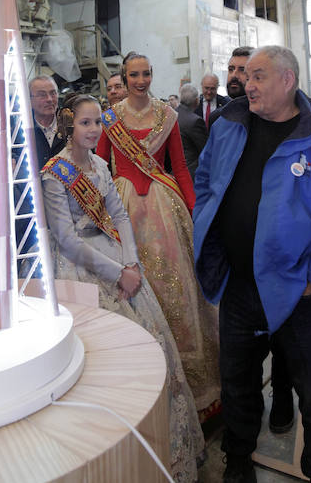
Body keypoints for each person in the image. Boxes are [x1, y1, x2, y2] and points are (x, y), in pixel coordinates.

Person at [194, 46, 311, 483]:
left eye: (258, 76)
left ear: (287, 81)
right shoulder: (228, 128)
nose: (247, 83)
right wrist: (214, 242)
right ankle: (238, 461)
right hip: (239, 288)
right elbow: (206, 182)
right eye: (246, 76)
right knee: (238, 386)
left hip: (299, 293)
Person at [41, 93, 204, 482]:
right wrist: (117, 273)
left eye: (97, 122)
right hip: (83, 272)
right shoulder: (54, 173)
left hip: (119, 260)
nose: (94, 129)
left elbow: (119, 215)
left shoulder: (99, 164)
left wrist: (131, 261)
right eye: (85, 123)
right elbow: (66, 240)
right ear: (69, 126)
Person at [97, 51, 221, 418]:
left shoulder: (167, 116)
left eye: (146, 74)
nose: (140, 81)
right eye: (133, 75)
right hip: (124, 212)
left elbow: (180, 168)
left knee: (177, 290)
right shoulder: (110, 119)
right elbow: (102, 167)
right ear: (124, 76)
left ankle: (191, 379)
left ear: (153, 74)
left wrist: (195, 211)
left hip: (165, 209)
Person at [29, 75, 65, 170]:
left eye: (53, 93)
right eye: (42, 95)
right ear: (29, 100)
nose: (49, 99)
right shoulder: (20, 132)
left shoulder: (71, 127)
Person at [176, 83, 208, 180]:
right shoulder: (195, 121)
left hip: (174, 171)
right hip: (191, 174)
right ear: (196, 101)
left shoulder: (171, 115)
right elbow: (205, 149)